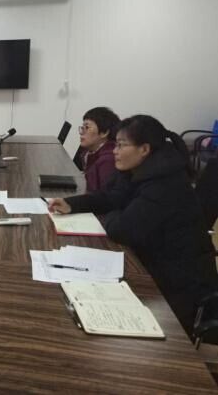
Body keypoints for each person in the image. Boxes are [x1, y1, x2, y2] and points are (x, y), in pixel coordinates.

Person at [49, 115, 218, 337]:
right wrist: (72, 204)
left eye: (121, 145)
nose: (115, 151)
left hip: (177, 285)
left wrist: (113, 213)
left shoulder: (165, 183)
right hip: (151, 262)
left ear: (144, 149)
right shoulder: (139, 170)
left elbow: (122, 229)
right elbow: (111, 197)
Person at [77, 107, 120, 191]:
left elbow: (103, 194)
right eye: (82, 127)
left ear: (104, 132)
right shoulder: (88, 153)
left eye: (87, 127)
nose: (81, 132)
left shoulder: (108, 160)